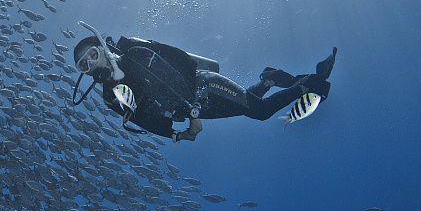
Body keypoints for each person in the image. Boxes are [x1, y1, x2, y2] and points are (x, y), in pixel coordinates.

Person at [72, 34, 336, 141]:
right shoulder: (110, 97)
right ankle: (269, 79)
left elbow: (174, 68)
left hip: (205, 86)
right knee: (247, 107)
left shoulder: (135, 54)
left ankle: (309, 84)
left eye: (92, 55)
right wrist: (177, 134)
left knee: (261, 112)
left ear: (102, 49)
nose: (92, 64)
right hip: (192, 110)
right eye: (85, 65)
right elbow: (142, 120)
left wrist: (193, 111)